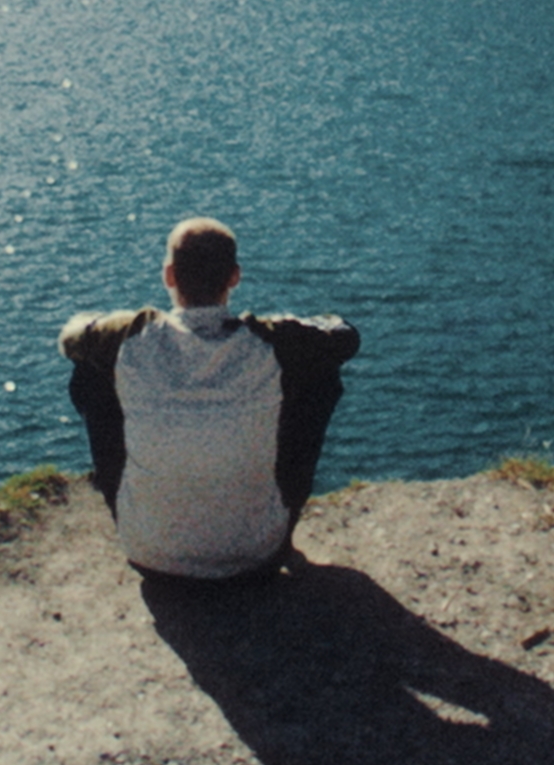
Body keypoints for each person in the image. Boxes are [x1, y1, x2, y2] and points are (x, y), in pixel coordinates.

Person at [59, 217, 359, 581]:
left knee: (90, 371)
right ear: (234, 276)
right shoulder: (269, 342)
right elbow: (346, 338)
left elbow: (70, 339)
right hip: (258, 553)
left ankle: (139, 504)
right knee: (321, 373)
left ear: (169, 276)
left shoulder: (131, 335)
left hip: (150, 554)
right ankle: (280, 519)